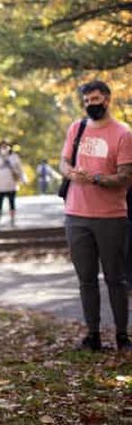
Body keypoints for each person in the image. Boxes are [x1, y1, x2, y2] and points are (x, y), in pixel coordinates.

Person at [60, 80, 132, 351]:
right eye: (88, 101)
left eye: (96, 99)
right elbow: (64, 162)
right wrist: (71, 174)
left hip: (111, 216)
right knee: (86, 279)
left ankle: (122, 336)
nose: (92, 104)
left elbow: (126, 177)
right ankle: (92, 335)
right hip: (75, 215)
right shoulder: (76, 128)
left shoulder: (123, 133)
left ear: (107, 100)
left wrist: (98, 179)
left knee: (115, 278)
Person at [0, 140, 26, 226]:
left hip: (11, 184)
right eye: (2, 146)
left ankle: (12, 218)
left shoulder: (14, 157)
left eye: (6, 146)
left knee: (12, 202)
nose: (4, 148)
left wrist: (22, 179)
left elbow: (20, 169)